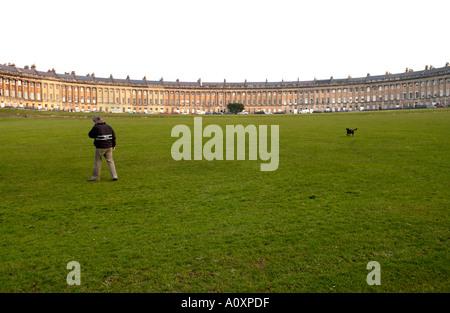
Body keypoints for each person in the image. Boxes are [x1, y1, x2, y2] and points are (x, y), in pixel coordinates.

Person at [88, 116, 118, 181]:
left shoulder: (96, 127)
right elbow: (114, 136)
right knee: (110, 161)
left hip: (100, 147)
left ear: (95, 121)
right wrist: (113, 145)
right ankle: (114, 176)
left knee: (98, 162)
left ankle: (96, 177)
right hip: (109, 146)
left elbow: (90, 135)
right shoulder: (109, 126)